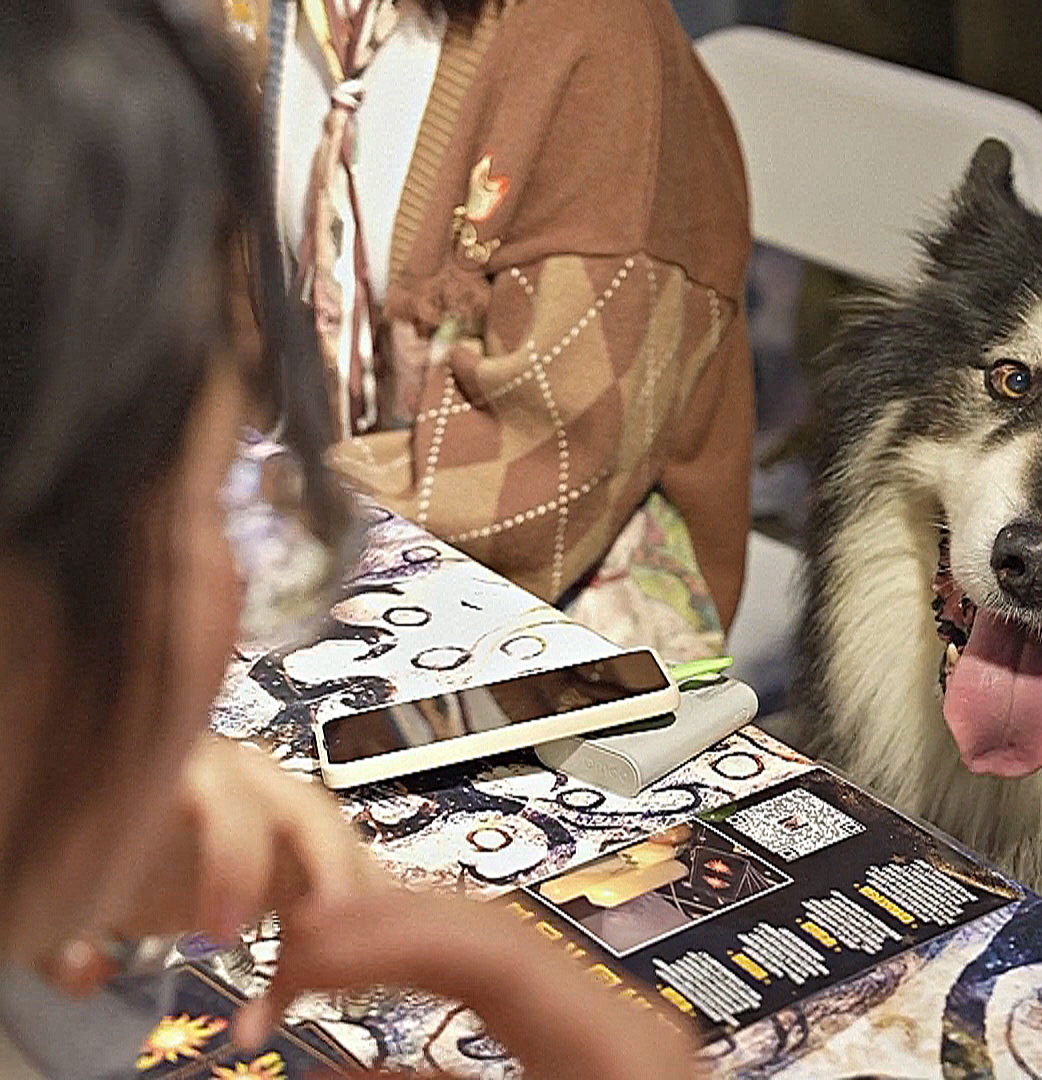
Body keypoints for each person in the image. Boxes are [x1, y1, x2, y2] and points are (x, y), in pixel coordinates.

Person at [0, 2, 693, 1075]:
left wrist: (74, 816)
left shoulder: (593, 44)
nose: (240, 566)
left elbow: (550, 468)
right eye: (201, 505)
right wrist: (541, 997)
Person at [237, 0, 754, 663]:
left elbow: (548, 468)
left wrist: (250, 509)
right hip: (322, 513)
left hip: (551, 586)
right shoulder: (259, 21)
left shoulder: (597, 38)